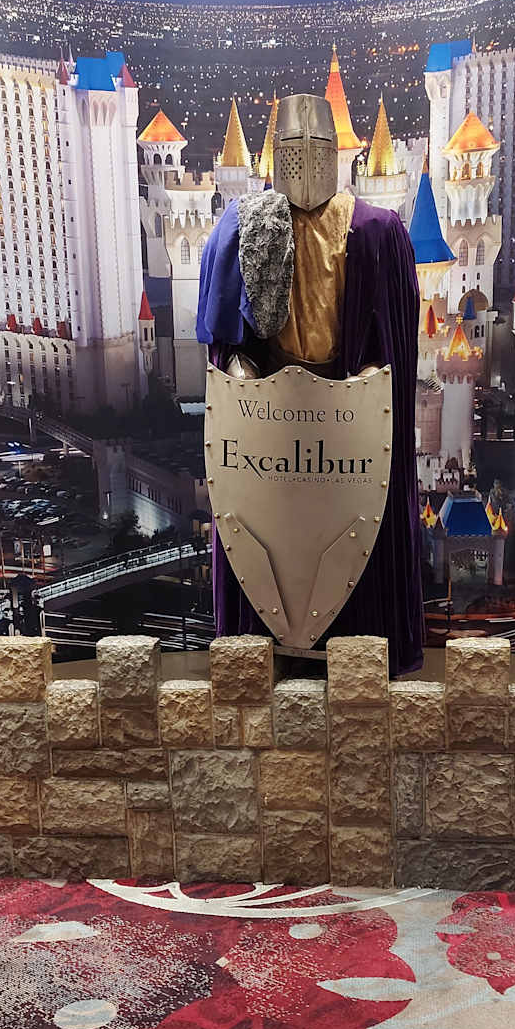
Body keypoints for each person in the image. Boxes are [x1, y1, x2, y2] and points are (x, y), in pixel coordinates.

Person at [197, 94, 423, 676]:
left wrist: (363, 388)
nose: (302, 159)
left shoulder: (376, 232)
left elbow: (390, 349)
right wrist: (245, 374)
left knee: (350, 535)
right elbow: (225, 344)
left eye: (313, 147)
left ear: (333, 151)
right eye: (290, 148)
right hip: (269, 429)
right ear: (276, 153)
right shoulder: (242, 226)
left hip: (345, 428)